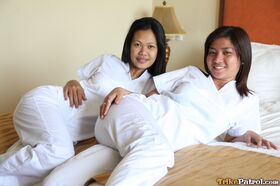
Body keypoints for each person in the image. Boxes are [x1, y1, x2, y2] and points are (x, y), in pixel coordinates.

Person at [93, 26, 277, 185]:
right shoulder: (191, 73)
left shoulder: (247, 99)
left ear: (242, 57)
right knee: (157, 153)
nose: (217, 59)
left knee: (155, 161)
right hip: (125, 113)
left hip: (136, 136)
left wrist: (247, 135)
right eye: (212, 52)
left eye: (226, 53)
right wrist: (125, 92)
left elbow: (229, 137)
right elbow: (147, 97)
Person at [0, 17, 167, 186]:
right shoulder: (108, 61)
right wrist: (72, 82)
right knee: (60, 152)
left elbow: (154, 104)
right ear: (129, 45)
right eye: (137, 44)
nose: (143, 52)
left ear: (159, 50)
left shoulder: (151, 86)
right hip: (45, 101)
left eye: (150, 46)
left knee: (44, 168)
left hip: (61, 128)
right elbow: (80, 83)